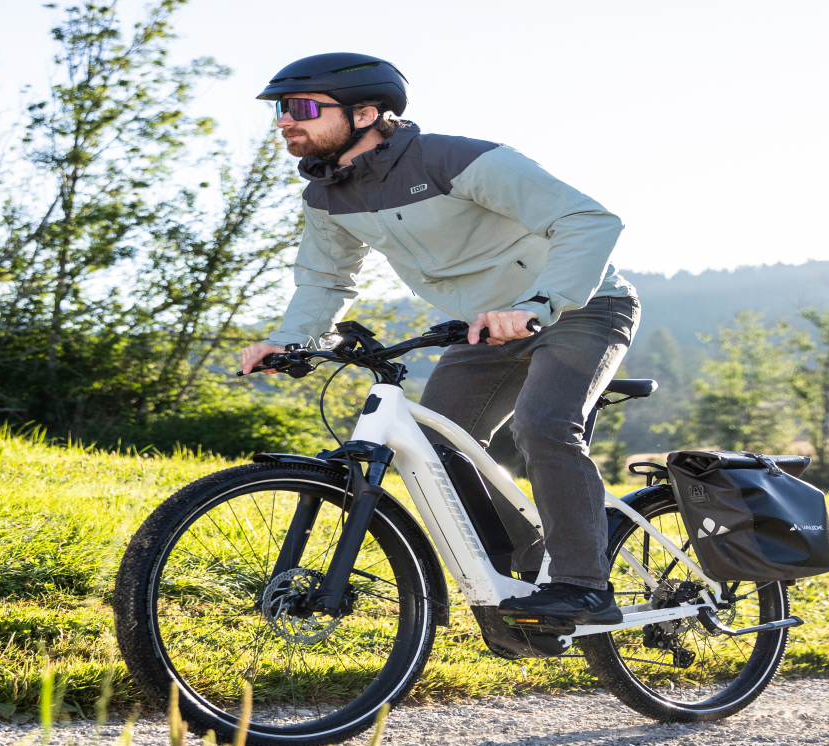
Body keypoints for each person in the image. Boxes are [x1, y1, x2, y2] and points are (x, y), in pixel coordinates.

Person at [237, 53, 640, 625]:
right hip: (483, 329)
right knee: (439, 447)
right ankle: (520, 581)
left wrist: (537, 305)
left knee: (544, 424)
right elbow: (327, 278)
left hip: (581, 308)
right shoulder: (328, 195)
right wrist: (292, 340)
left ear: (366, 113)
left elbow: (591, 220)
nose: (284, 121)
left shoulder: (458, 159)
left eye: (300, 108)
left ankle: (582, 584)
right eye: (279, 110)